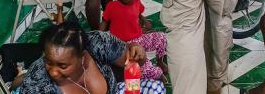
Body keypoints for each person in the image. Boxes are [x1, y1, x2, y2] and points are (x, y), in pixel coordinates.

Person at [19, 21, 165, 94]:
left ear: (83, 57)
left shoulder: (98, 43)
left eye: (63, 66)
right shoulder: (37, 82)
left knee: (155, 88)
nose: (53, 72)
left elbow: (132, 61)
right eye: (48, 62)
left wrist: (136, 51)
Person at [100, 0, 168, 81]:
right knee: (142, 62)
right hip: (123, 45)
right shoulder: (112, 7)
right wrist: (99, 37)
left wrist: (144, 21)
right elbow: (104, 22)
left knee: (162, 37)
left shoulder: (137, 1)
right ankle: (156, 74)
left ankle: (160, 62)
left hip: (139, 38)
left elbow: (139, 13)